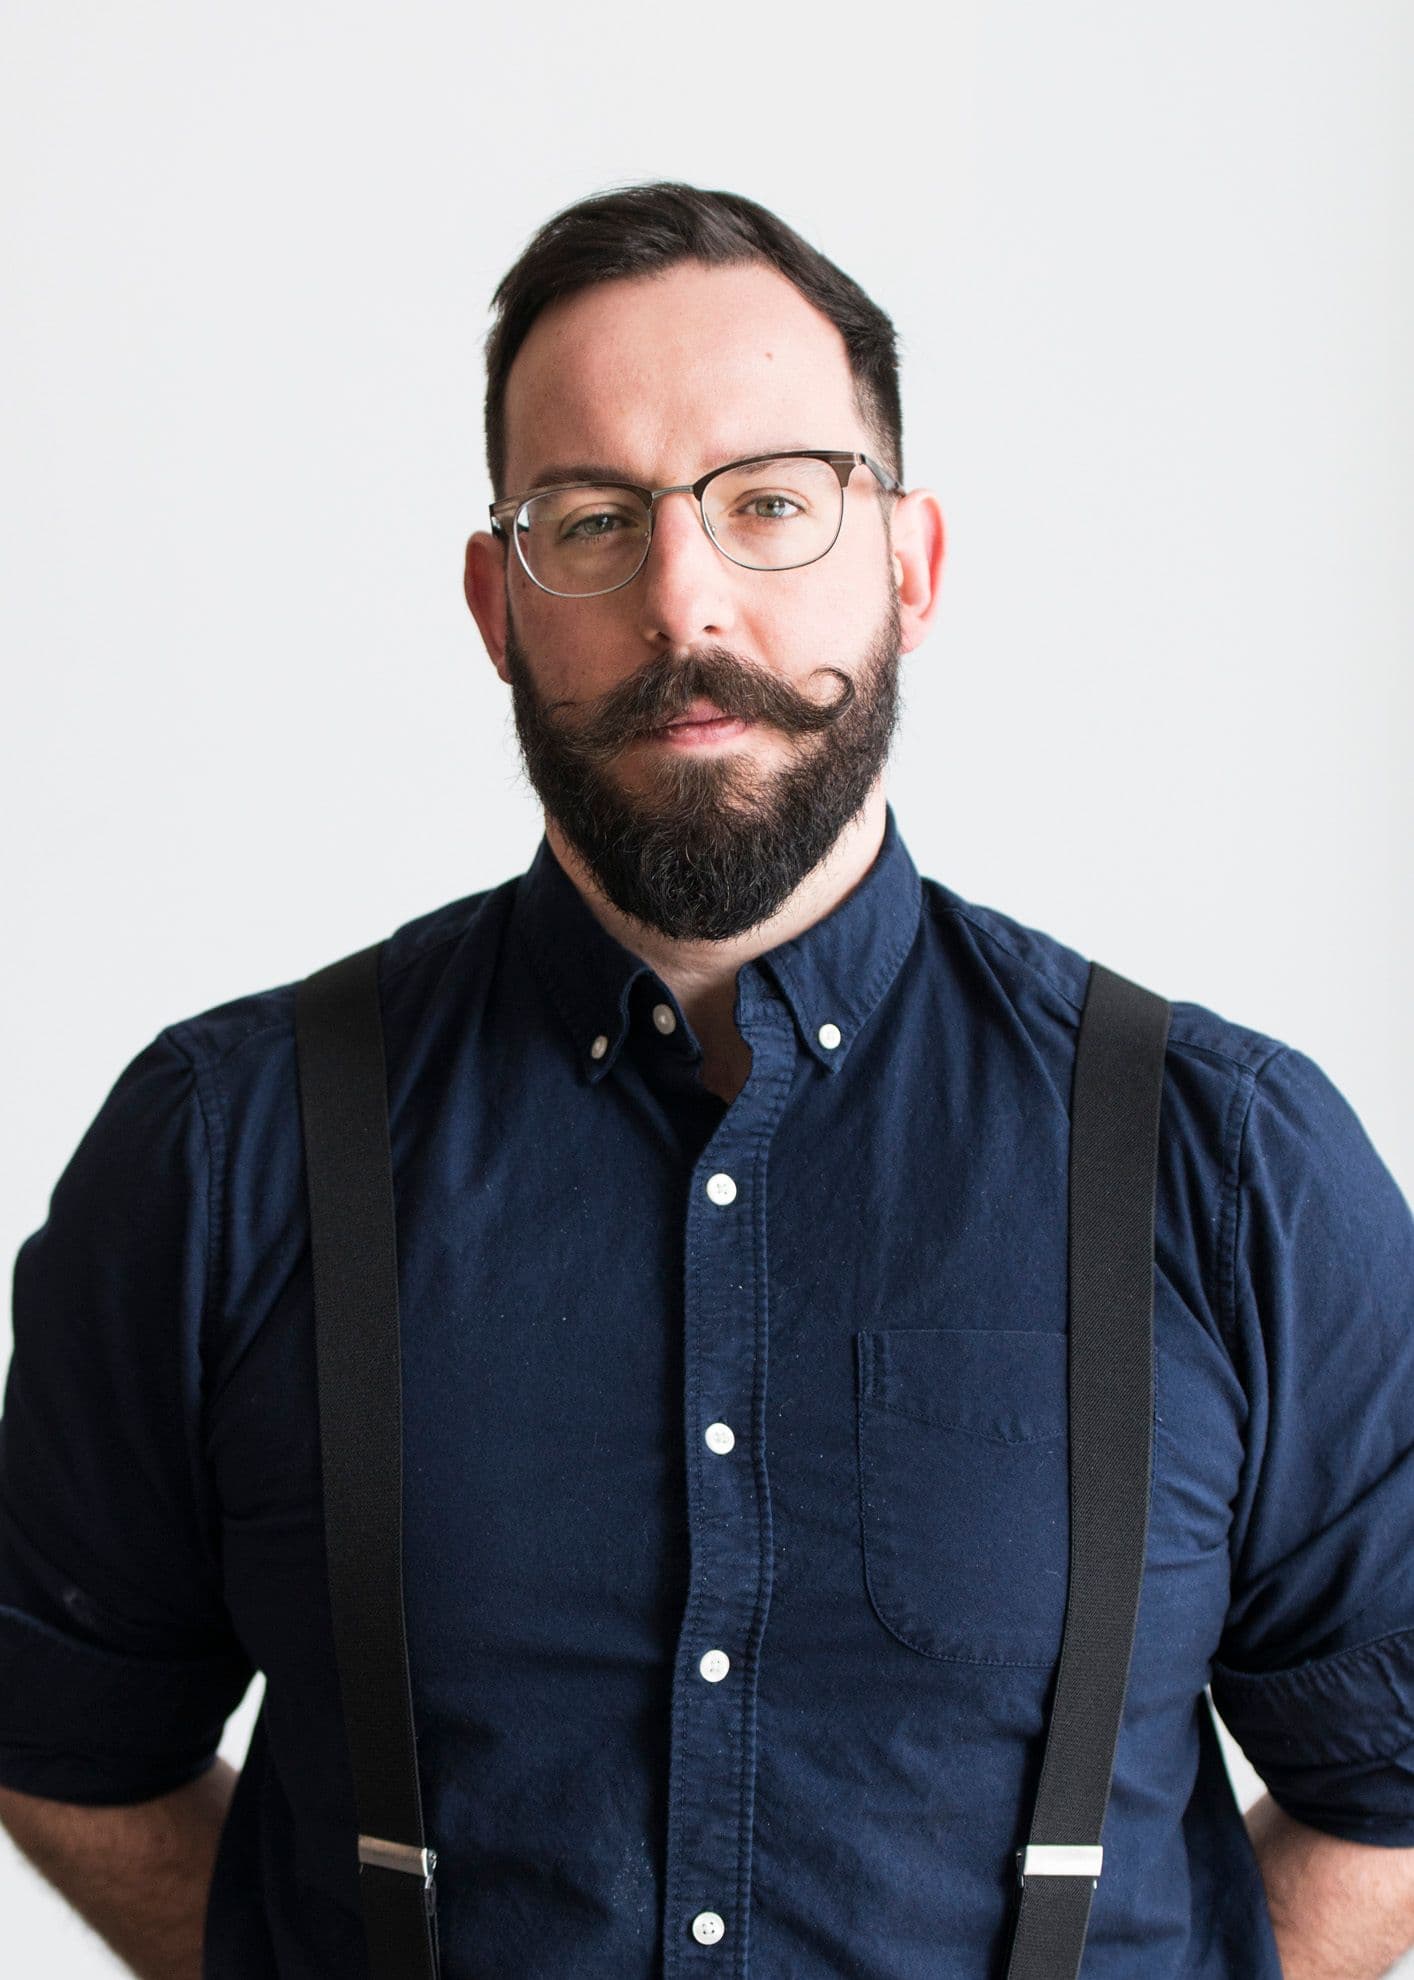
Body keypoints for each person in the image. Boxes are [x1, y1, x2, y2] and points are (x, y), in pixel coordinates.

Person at [1, 181, 1411, 1980]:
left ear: (908, 560)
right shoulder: (226, 1152)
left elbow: (1393, 1784)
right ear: (494, 604)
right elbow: (61, 1732)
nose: (684, 600)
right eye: (589, 521)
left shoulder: (1228, 1159)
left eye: (768, 505)